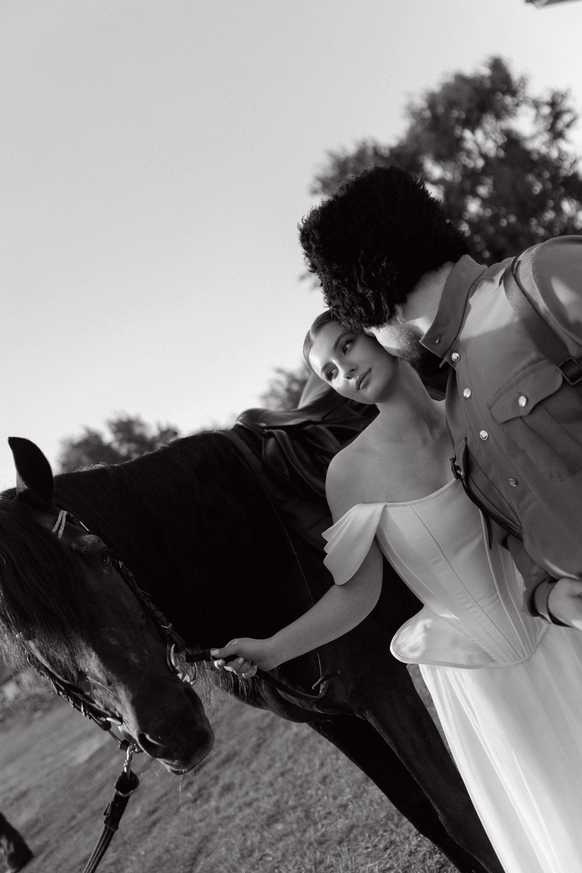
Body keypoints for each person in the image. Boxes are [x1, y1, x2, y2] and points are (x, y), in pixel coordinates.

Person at [213, 312, 582, 873]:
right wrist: (271, 649)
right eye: (329, 371)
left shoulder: (468, 407)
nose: (344, 370)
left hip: (563, 620)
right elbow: (357, 594)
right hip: (484, 672)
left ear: (380, 332)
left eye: (347, 345)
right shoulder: (350, 472)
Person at [298, 164, 582, 630]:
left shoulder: (541, 281)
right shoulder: (456, 406)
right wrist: (547, 597)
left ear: (378, 307)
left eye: (358, 333)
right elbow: (520, 525)